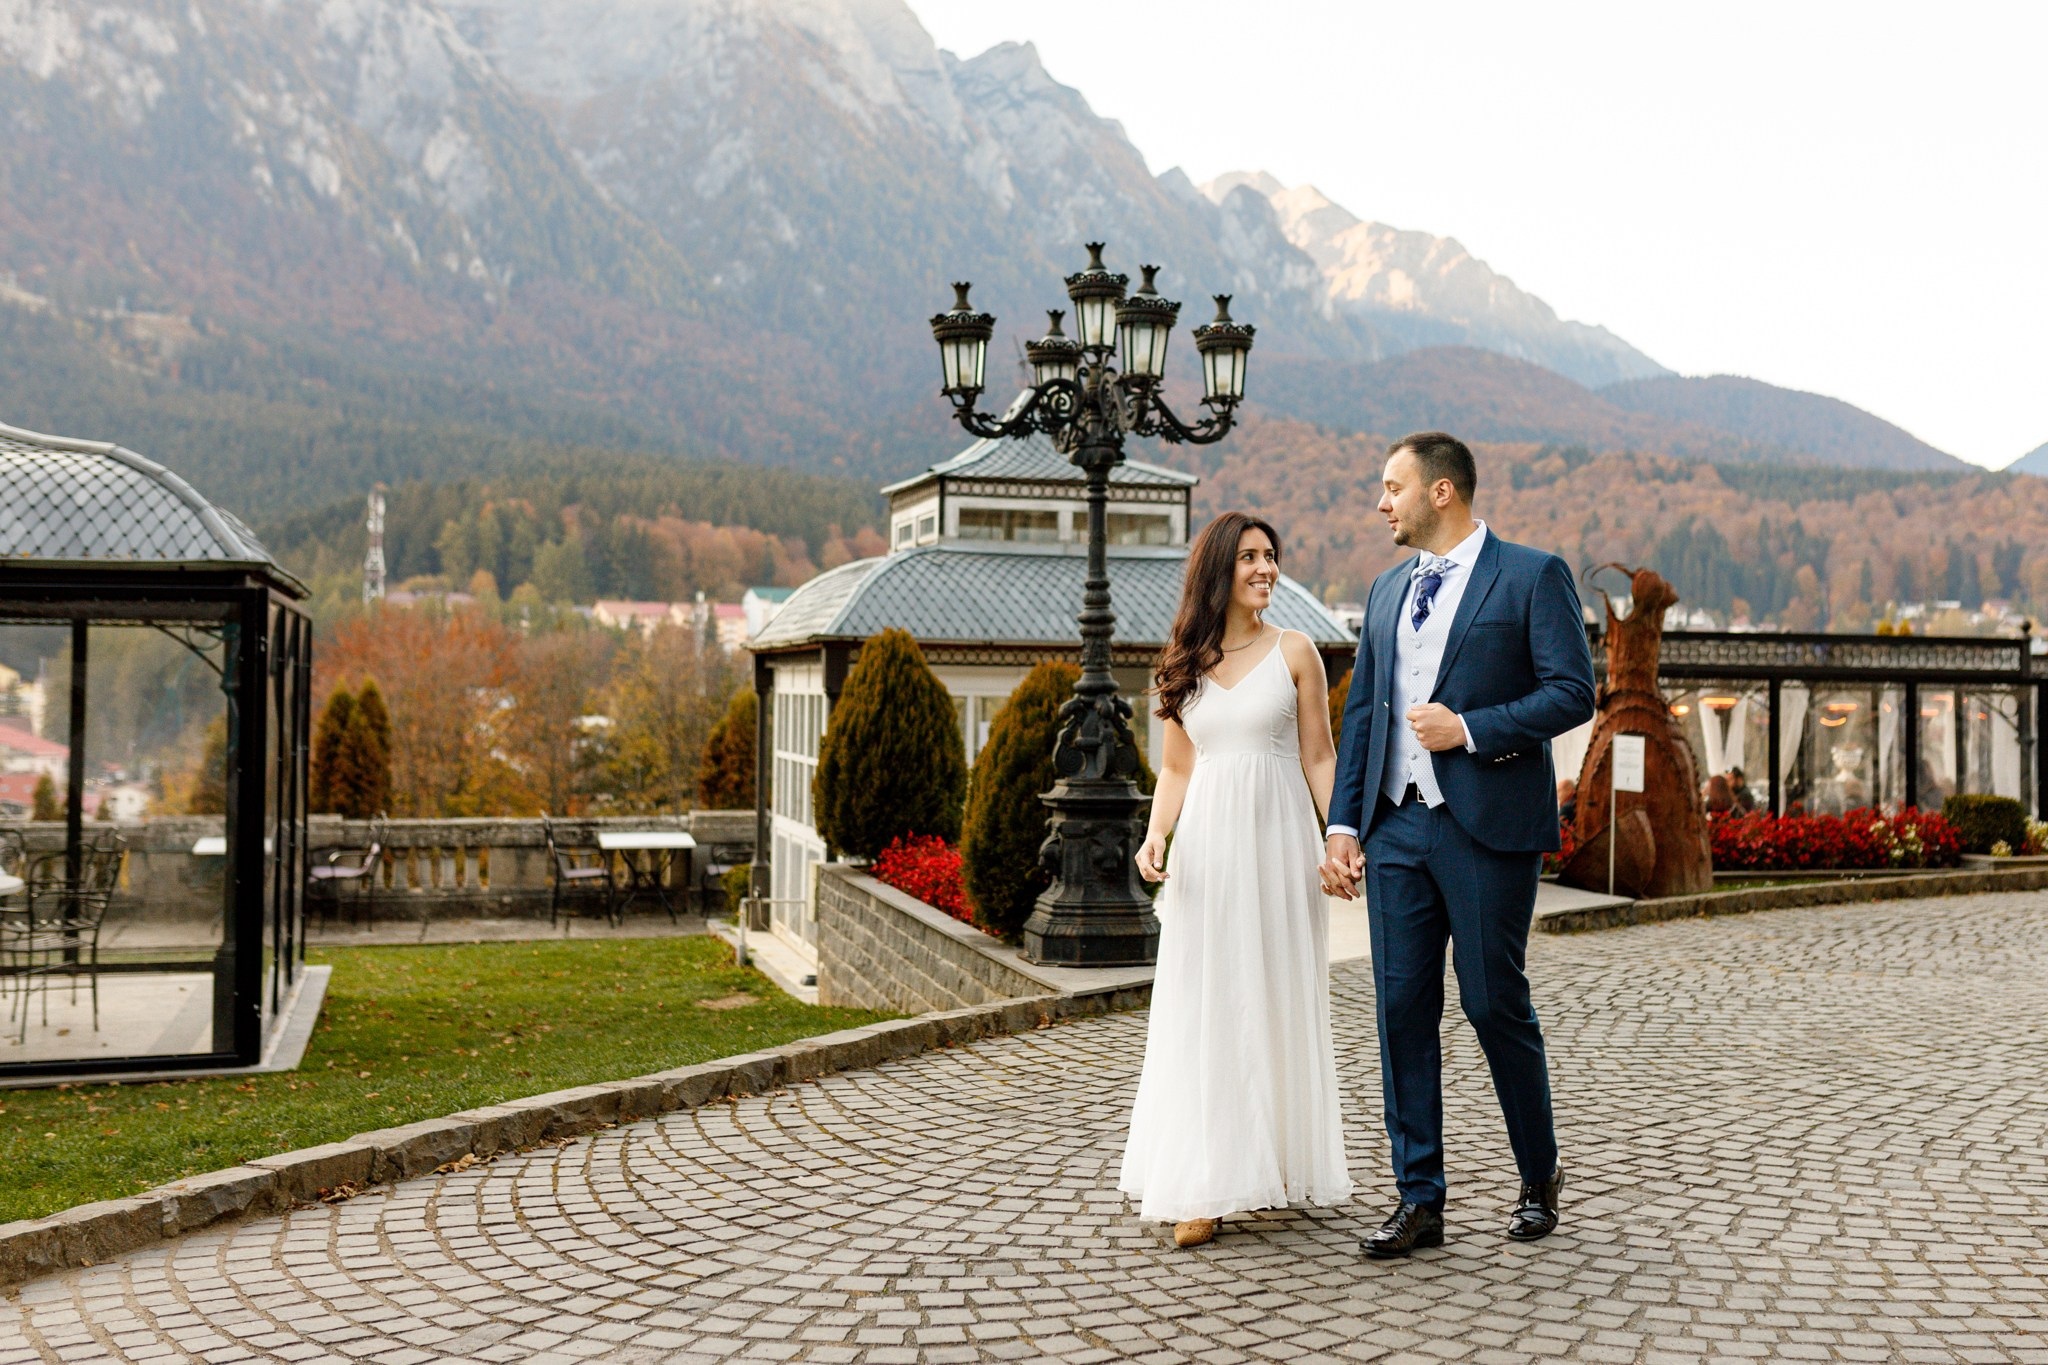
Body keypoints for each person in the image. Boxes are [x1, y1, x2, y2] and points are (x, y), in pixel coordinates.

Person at [1320, 432, 1596, 1258]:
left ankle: (1539, 1173)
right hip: (1395, 826)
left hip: (1487, 826)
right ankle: (1420, 1198)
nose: (1381, 502)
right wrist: (1343, 823)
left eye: (1392, 486)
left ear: (1441, 491)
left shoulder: (1532, 575)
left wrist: (1469, 728)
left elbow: (1572, 692)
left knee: (1490, 1000)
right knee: (1400, 1008)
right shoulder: (1384, 589)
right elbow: (1364, 713)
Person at [1122, 511, 1354, 1249]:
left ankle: (1271, 1162)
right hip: (1208, 855)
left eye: (1271, 555)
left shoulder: (1296, 651)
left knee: (1275, 996)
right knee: (1209, 1005)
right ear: (1219, 568)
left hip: (1279, 847)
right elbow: (1176, 768)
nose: (1265, 568)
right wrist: (1156, 834)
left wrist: (1342, 837)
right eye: (1250, 556)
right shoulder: (1180, 663)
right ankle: (1208, 1181)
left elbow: (1320, 756)